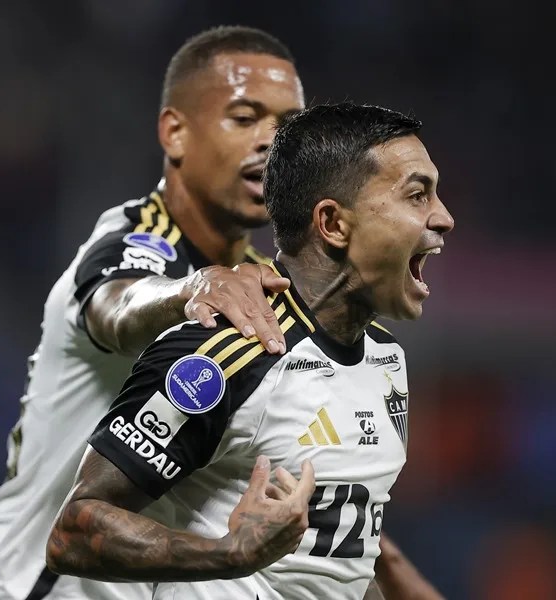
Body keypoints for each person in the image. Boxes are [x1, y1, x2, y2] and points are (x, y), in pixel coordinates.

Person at [0, 26, 304, 600]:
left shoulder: (265, 287)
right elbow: (118, 306)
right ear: (175, 132)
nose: (273, 143)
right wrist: (191, 289)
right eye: (245, 118)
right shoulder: (137, 242)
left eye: (289, 127)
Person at [45, 103, 454, 600]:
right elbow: (76, 529)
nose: (444, 218)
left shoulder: (386, 361)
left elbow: (333, 567)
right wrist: (230, 554)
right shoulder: (223, 353)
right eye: (417, 194)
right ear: (333, 223)